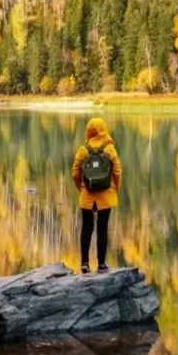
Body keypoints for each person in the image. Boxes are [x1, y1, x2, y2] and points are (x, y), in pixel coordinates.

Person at [72, 115, 122, 273]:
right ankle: (101, 264)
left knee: (86, 227)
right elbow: (117, 172)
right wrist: (115, 189)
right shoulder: (110, 149)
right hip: (106, 196)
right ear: (103, 130)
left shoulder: (83, 150)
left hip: (87, 196)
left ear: (89, 131)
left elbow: (75, 173)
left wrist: (81, 189)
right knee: (102, 228)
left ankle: (84, 264)